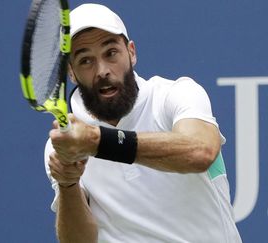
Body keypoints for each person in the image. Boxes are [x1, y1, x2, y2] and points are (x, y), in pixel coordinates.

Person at [44, 3, 242, 243]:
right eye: (86, 60)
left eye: (111, 53)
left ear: (131, 52)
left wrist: (98, 141)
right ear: (71, 72)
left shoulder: (176, 94)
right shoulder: (64, 145)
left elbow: (201, 151)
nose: (102, 70)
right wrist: (68, 183)